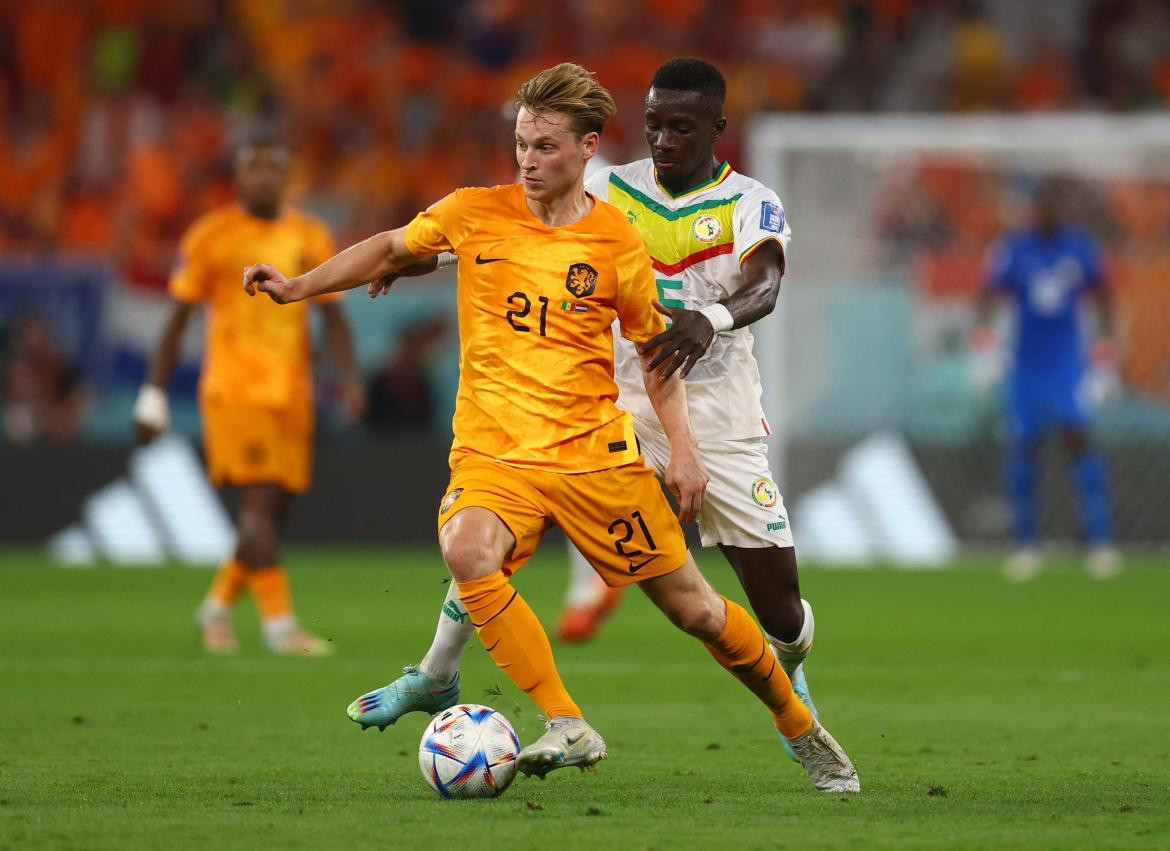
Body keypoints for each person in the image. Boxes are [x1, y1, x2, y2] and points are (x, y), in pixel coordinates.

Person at [244, 63, 858, 792]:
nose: (527, 161)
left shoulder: (617, 240)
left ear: (585, 148)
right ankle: (558, 716)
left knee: (696, 608)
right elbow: (393, 245)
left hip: (599, 451)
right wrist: (300, 286)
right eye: (520, 144)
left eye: (544, 147)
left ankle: (798, 722)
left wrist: (686, 453)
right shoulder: (476, 209)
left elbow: (654, 354)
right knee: (468, 548)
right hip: (496, 450)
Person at [135, 133, 364, 654]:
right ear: (237, 176)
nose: (265, 176)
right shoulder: (212, 236)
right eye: (254, 167)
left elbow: (333, 313)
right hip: (234, 390)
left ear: (288, 175)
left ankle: (216, 607)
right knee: (259, 509)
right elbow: (176, 320)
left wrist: (349, 377)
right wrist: (153, 394)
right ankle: (280, 626)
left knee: (275, 513)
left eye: (274, 167)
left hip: (292, 393)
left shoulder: (310, 233)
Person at [972, 176, 1121, 581]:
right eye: (1047, 204)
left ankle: (1100, 541)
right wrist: (984, 345)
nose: (1053, 212)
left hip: (1068, 365)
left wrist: (1105, 355)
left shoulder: (1081, 247)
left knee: (1079, 440)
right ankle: (1026, 544)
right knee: (1023, 449)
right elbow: (986, 294)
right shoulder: (1014, 248)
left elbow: (1105, 296)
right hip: (1025, 367)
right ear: (1037, 208)